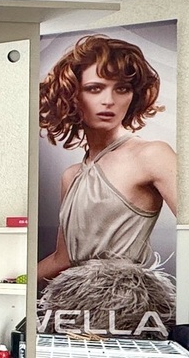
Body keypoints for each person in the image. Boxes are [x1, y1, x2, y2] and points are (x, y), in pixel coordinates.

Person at [36, 35, 179, 284]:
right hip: (73, 299)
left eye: (121, 89)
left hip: (128, 299)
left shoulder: (152, 155)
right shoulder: (71, 176)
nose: (109, 101)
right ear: (72, 95)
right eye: (95, 88)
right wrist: (17, 280)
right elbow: (63, 259)